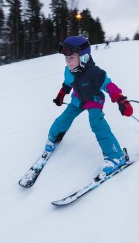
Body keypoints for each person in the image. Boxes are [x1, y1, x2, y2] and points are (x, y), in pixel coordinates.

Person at [45, 36, 134, 176]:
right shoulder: (69, 70)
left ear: (84, 57)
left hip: (93, 100)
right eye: (66, 58)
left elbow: (109, 85)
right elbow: (68, 83)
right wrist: (61, 95)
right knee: (64, 118)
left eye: (71, 58)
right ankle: (53, 137)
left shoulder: (95, 73)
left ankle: (116, 156)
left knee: (96, 124)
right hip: (78, 99)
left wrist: (121, 100)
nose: (68, 62)